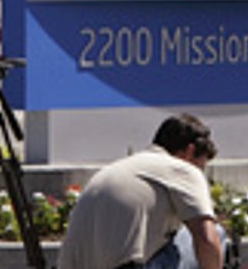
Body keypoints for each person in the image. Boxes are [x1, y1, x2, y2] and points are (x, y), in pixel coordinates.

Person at [58, 113, 225, 269]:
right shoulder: (182, 169)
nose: (200, 173)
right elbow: (207, 239)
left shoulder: (120, 169)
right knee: (216, 233)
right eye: (201, 167)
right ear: (189, 151)